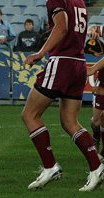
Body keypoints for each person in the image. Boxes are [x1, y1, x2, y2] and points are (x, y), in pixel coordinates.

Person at [22, 0, 104, 192]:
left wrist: (40, 53)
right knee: (70, 122)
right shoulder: (80, 1)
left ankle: (50, 166)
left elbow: (62, 27)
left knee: (29, 115)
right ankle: (96, 167)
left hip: (62, 62)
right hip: (78, 63)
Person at [86, 24, 104, 163]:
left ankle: (102, 155)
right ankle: (96, 135)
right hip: (102, 83)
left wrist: (92, 69)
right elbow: (94, 28)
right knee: (96, 121)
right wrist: (92, 32)